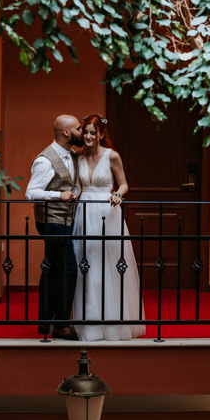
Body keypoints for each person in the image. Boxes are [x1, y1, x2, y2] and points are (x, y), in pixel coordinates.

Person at [71, 114, 145, 341]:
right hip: (84, 213)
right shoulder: (79, 156)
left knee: (109, 264)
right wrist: (71, 196)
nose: (88, 136)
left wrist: (117, 195)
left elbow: (123, 184)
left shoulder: (112, 156)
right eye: (85, 132)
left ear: (102, 134)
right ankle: (89, 324)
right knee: (86, 264)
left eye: (93, 132)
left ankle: (112, 323)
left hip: (107, 212)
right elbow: (76, 186)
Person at [25, 114, 84, 341]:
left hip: (65, 222)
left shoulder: (72, 155)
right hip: (52, 223)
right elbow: (31, 193)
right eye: (78, 128)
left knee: (52, 269)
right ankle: (60, 324)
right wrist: (59, 195)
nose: (81, 132)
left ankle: (45, 320)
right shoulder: (46, 160)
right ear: (67, 133)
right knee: (69, 269)